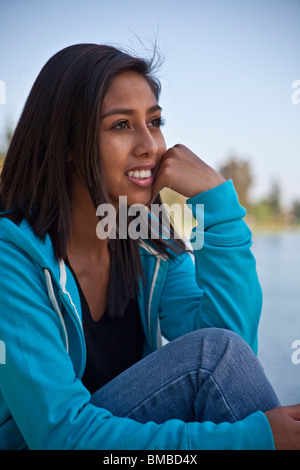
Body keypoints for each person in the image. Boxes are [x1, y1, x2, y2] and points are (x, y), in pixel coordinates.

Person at [0, 43, 299, 451]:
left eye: (154, 121)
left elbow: (235, 351)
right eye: (122, 125)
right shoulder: (11, 259)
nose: (151, 146)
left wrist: (218, 207)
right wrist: (252, 440)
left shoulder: (150, 243)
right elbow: (59, 435)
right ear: (68, 145)